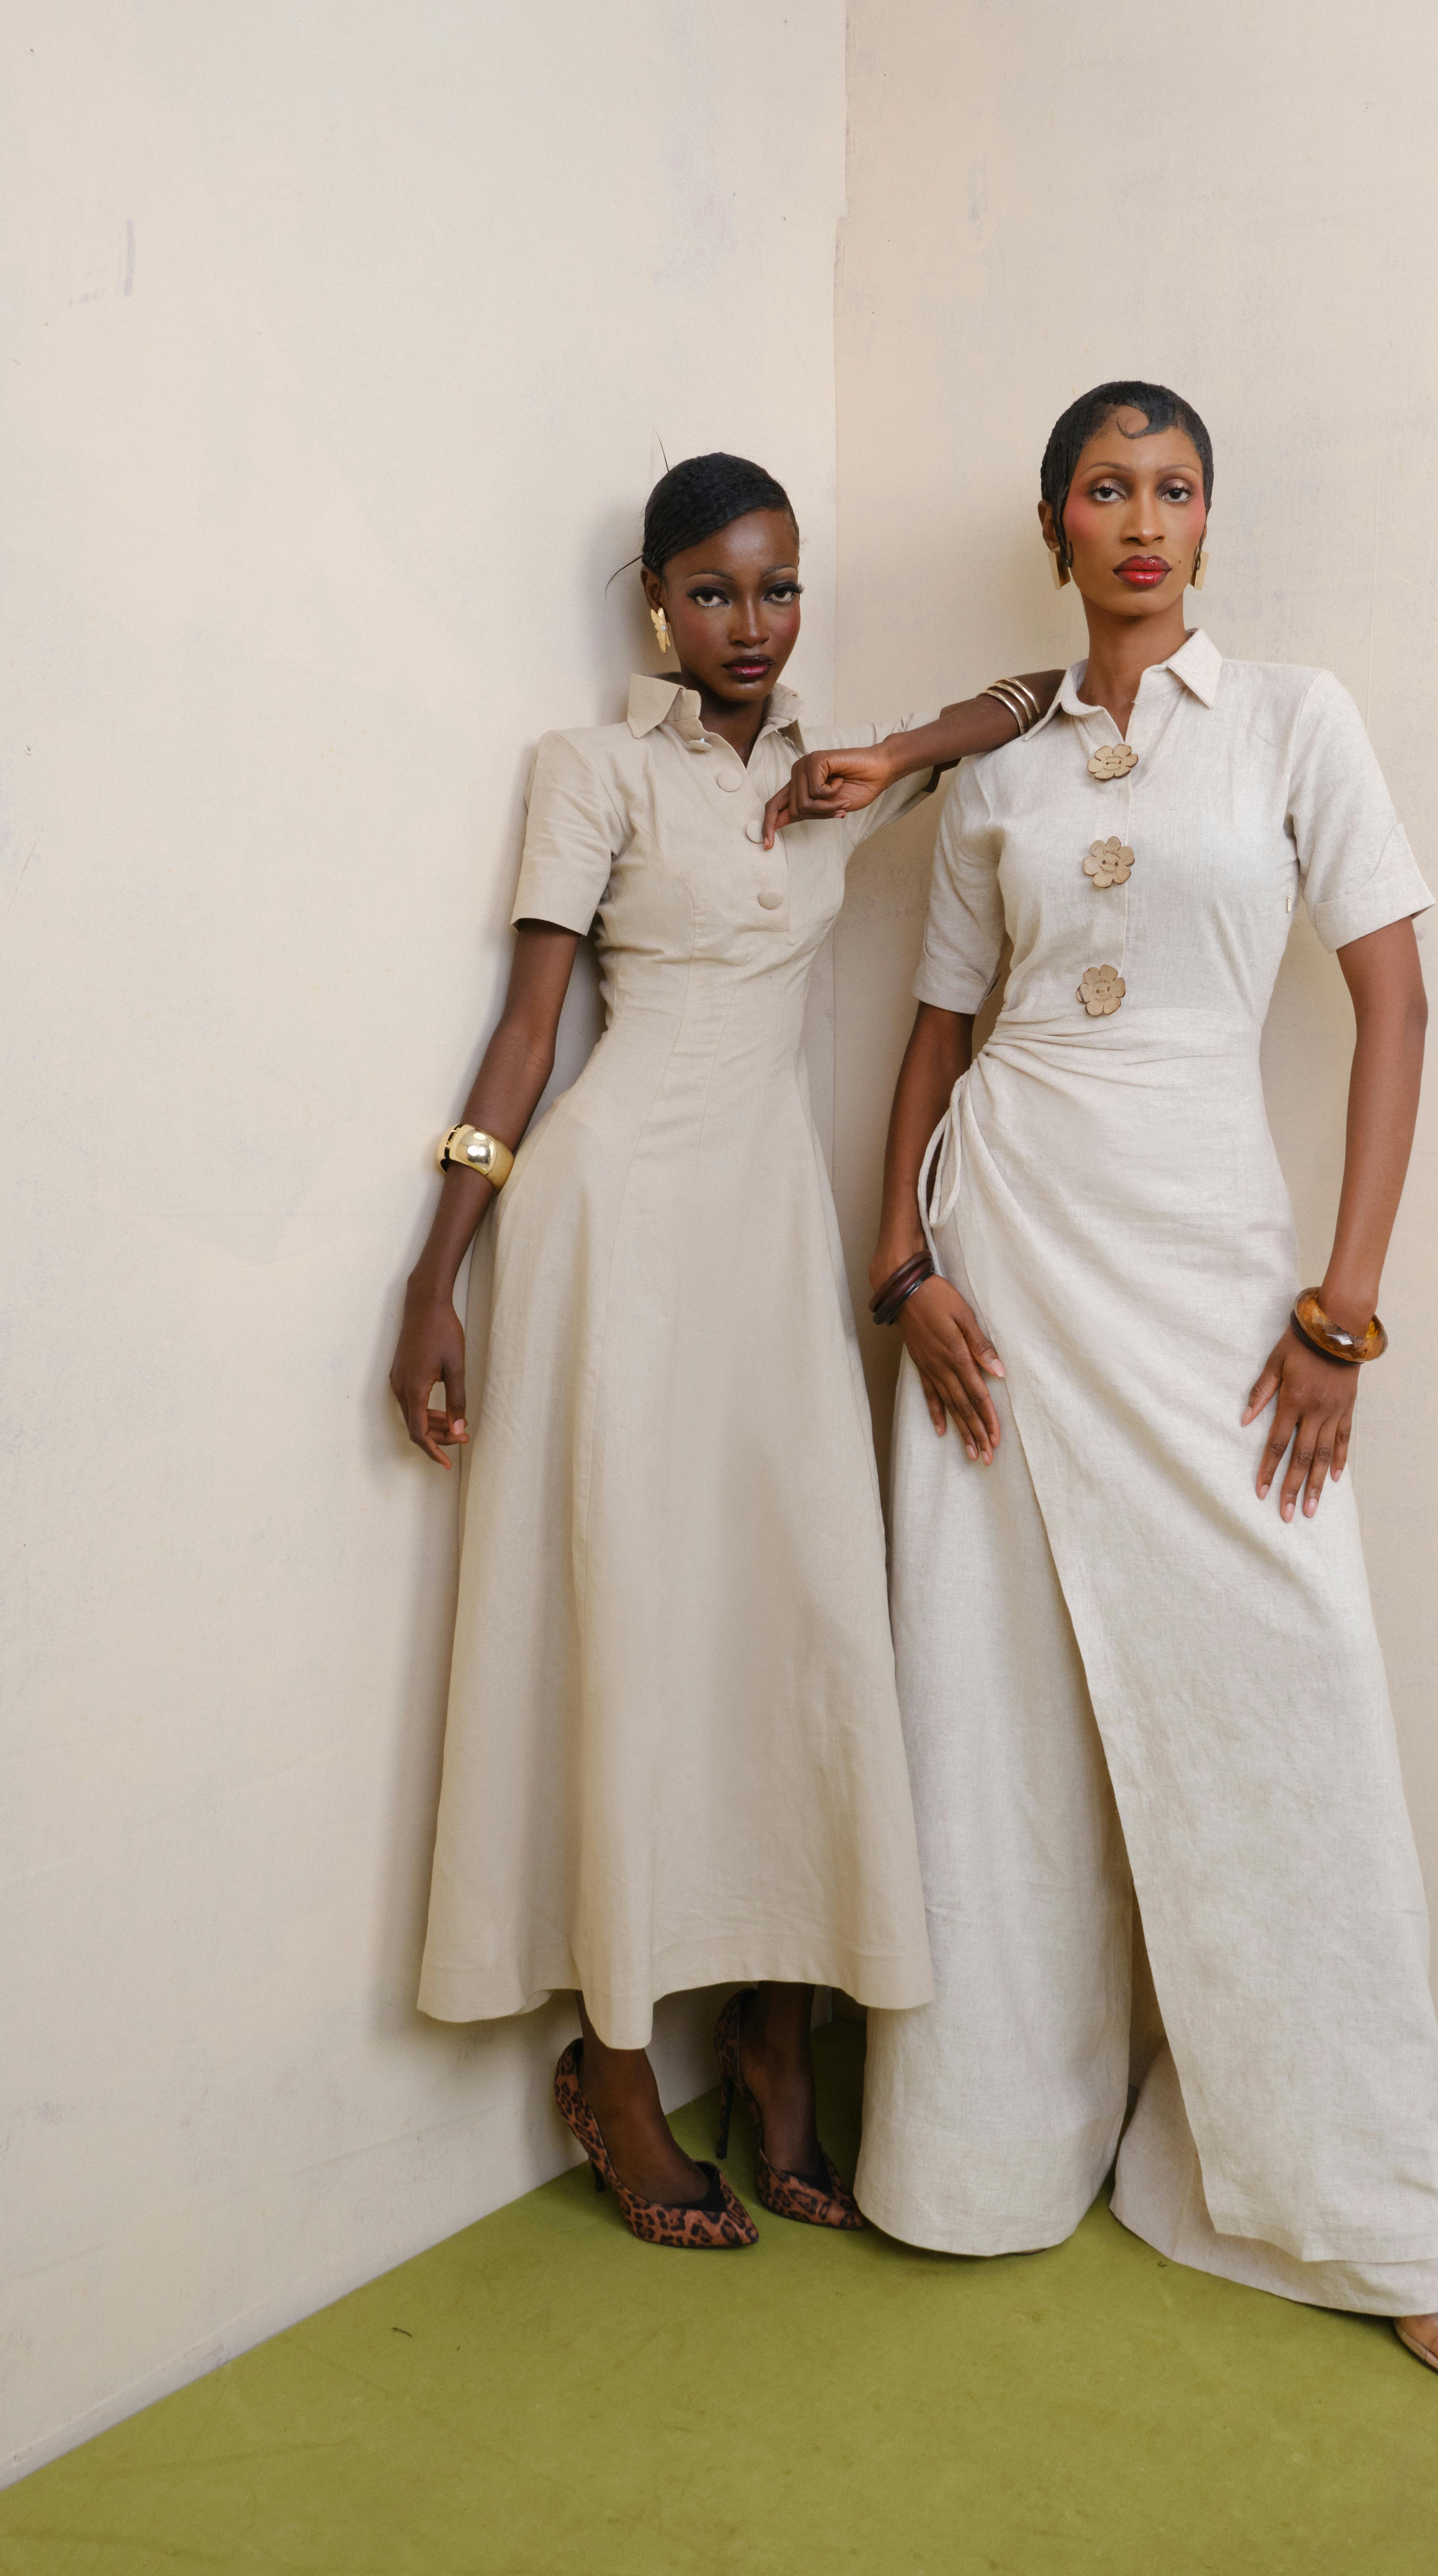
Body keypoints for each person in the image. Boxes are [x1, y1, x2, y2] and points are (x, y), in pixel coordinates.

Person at [839, 383, 1438, 2381]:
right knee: (991, 1691)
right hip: (1006, 1249)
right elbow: (938, 1038)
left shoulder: (1296, 719)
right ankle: (975, 2159)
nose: (1145, 520)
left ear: (1210, 526)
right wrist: (903, 1265)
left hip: (1215, 1257)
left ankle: (1361, 2205)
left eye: (1177, 490)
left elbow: (1395, 1003)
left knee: (1282, 1689)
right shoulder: (1001, 774)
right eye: (1108, 491)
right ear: (1060, 528)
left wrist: (1341, 1311)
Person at [390, 451, 1059, 2249]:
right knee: (629, 1601)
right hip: (615, 1224)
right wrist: (436, 1269)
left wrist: (894, 757)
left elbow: (1037, 696)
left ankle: (776, 2032)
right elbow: (532, 1031)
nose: (751, 628)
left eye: (778, 590)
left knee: (796, 1605)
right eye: (713, 593)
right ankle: (612, 2061)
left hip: (769, 1230)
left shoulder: (829, 782)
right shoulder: (593, 771)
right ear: (653, 604)